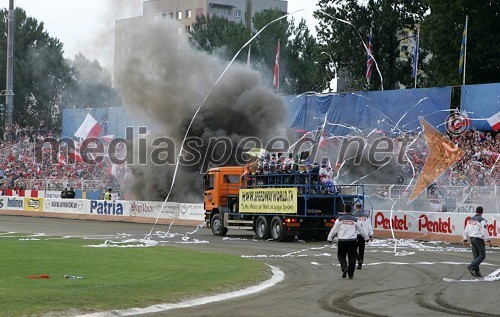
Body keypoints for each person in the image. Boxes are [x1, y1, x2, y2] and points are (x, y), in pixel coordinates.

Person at [327, 204, 370, 279]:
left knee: (341, 256)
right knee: (352, 257)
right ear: (351, 210)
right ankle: (351, 274)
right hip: (352, 241)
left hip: (342, 241)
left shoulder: (339, 219)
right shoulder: (355, 220)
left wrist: (330, 238)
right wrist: (366, 238)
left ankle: (344, 268)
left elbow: (334, 229)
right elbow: (361, 229)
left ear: (344, 210)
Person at [463, 206, 492, 277]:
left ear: (476, 211)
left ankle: (477, 272)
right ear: (482, 212)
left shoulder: (470, 219)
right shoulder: (482, 220)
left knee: (476, 256)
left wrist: (465, 239)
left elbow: (466, 230)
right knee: (482, 255)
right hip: (478, 238)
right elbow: (484, 231)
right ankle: (471, 266)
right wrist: (488, 240)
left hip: (471, 238)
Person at [352, 202, 373, 269]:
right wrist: (370, 234)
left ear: (356, 207)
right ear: (361, 207)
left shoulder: (353, 215)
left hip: (355, 235)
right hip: (363, 235)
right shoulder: (366, 216)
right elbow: (369, 226)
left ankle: (358, 259)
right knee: (361, 250)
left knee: (353, 249)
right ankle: (360, 264)